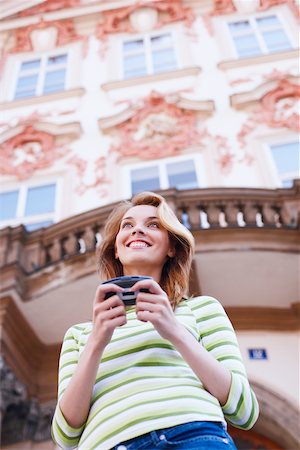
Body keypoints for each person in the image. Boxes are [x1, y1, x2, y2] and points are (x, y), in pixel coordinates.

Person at [51, 191, 259, 450]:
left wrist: (173, 330)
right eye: (127, 225)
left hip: (194, 437)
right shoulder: (80, 334)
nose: (137, 230)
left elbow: (245, 410)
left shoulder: (202, 309)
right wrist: (96, 343)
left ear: (172, 247)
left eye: (153, 225)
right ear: (116, 248)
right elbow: (65, 435)